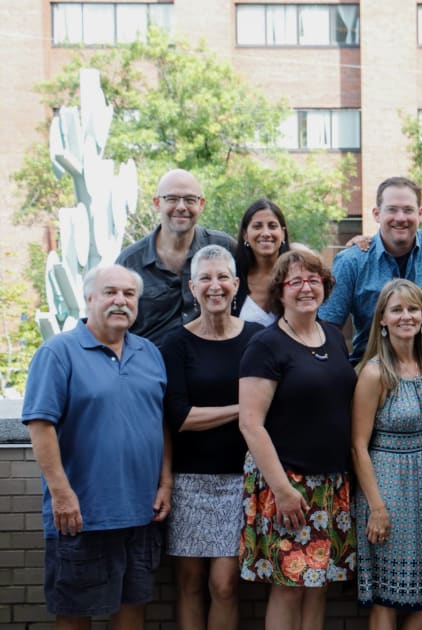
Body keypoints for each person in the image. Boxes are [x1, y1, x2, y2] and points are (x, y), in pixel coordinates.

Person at [21, 264, 171, 629]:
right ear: (89, 299)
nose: (120, 301)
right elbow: (40, 426)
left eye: (129, 294)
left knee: (133, 606)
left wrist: (165, 483)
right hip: (82, 514)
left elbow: (161, 422)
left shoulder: (150, 353)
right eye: (110, 292)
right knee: (75, 612)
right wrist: (61, 494)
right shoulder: (58, 353)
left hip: (141, 511)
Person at [238, 249, 357, 630]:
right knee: (289, 584)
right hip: (287, 484)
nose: (306, 288)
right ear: (280, 292)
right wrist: (283, 490)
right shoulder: (266, 345)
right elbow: (251, 423)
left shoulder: (335, 338)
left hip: (331, 484)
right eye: (296, 282)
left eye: (314, 280)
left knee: (317, 583)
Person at [159, 245, 263, 630]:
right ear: (192, 287)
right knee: (188, 583)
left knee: (224, 585)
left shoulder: (257, 338)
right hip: (189, 482)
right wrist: (244, 410)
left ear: (236, 285)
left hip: (242, 481)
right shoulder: (175, 344)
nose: (214, 286)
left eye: (222, 277)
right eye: (205, 278)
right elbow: (180, 417)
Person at [351, 279, 422, 628]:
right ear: (382, 319)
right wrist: (376, 508)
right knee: (387, 596)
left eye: (413, 309)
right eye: (397, 310)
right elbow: (358, 446)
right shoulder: (375, 373)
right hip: (388, 486)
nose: (405, 316)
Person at [319, 176, 422, 366]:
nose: (400, 218)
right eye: (392, 210)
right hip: (370, 374)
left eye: (408, 210)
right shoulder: (352, 260)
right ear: (377, 214)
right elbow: (329, 325)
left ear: (420, 214)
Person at [116, 168, 235, 343]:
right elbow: (114, 323)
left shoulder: (224, 247)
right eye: (171, 199)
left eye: (190, 200)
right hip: (152, 365)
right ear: (157, 203)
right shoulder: (130, 262)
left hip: (212, 363)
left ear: (201, 204)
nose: (181, 207)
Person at [233, 198, 291, 326]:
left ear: (282, 233)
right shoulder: (231, 277)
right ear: (245, 235)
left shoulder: (297, 275)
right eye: (257, 226)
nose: (265, 233)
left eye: (272, 226)